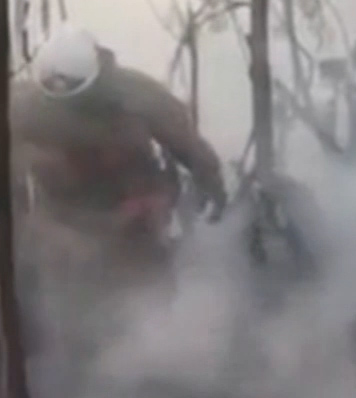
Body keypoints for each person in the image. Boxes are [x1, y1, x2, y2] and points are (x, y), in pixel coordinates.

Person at [10, 24, 228, 290]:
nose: (65, 99)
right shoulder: (24, 106)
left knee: (144, 287)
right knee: (63, 284)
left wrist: (210, 180)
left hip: (134, 211)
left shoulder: (136, 95)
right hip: (65, 218)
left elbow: (183, 137)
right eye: (54, 88)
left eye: (73, 90)